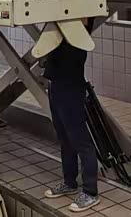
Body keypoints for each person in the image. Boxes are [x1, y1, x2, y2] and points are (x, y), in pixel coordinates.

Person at [43, 28, 100, 212]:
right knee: (64, 138)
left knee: (80, 140)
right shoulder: (56, 28)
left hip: (71, 86)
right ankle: (69, 182)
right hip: (55, 84)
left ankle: (90, 192)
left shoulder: (79, 27)